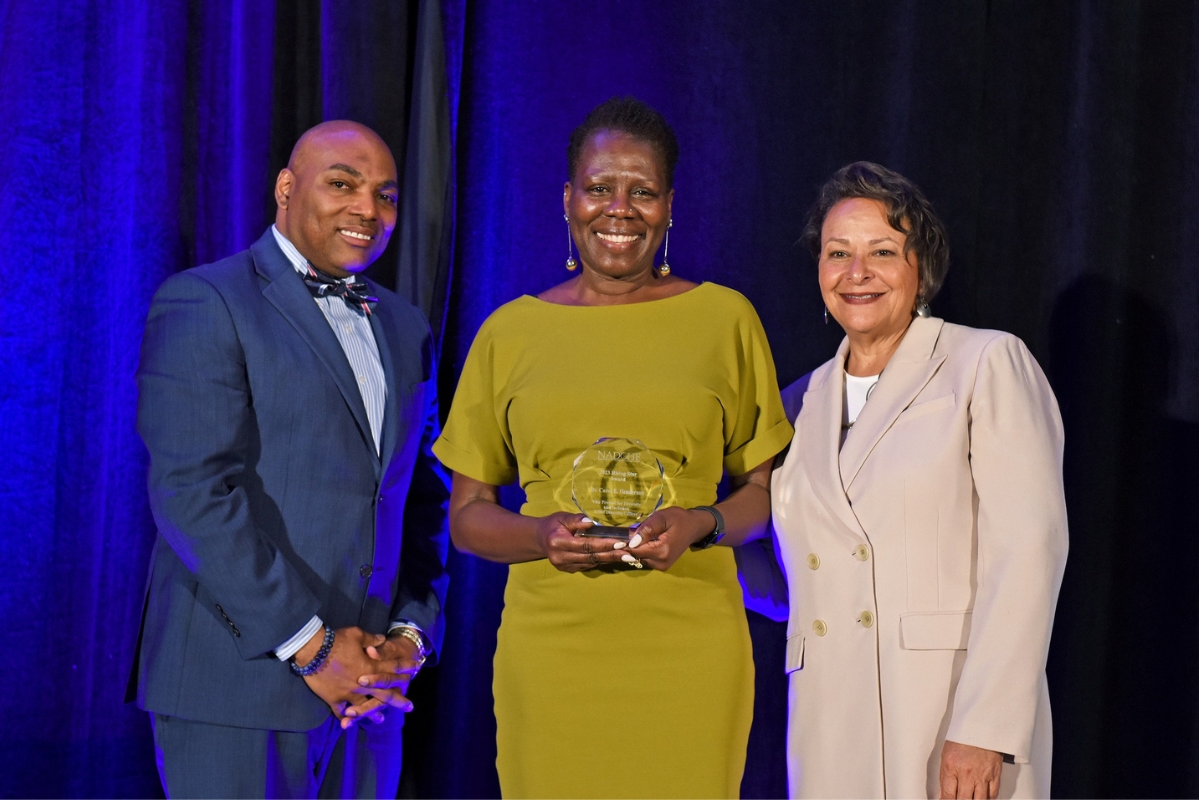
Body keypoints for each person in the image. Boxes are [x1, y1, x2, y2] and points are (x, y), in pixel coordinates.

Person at [432, 97, 793, 798]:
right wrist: (541, 536)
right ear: (569, 199)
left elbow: (762, 494)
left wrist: (700, 524)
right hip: (553, 649)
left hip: (690, 649)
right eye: (599, 187)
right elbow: (468, 515)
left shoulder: (726, 319)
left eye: (642, 190)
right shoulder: (511, 333)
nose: (619, 208)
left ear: (669, 204)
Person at [130, 120, 450, 798]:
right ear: (285, 188)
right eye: (343, 184)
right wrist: (315, 648)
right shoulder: (207, 301)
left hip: (369, 697)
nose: (368, 209)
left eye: (385, 195)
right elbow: (193, 495)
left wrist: (408, 639)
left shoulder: (405, 326)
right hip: (235, 687)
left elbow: (422, 498)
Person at [770, 161, 1068, 799]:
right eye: (837, 253)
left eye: (882, 251)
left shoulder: (984, 363)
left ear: (921, 269)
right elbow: (792, 571)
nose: (857, 273)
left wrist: (986, 726)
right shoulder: (798, 403)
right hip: (828, 717)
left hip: (945, 716)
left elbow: (1028, 552)